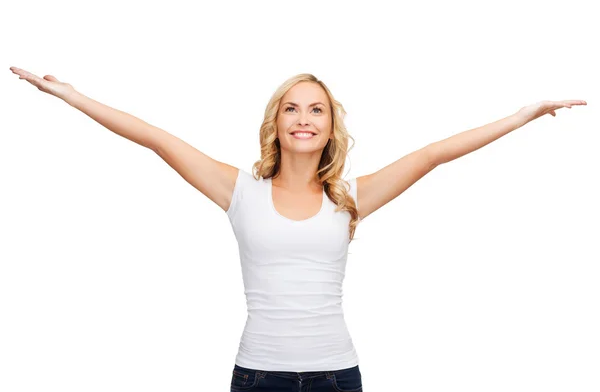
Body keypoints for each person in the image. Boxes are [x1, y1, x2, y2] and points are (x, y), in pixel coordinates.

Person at [9, 66, 587, 391]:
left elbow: (434, 154)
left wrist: (522, 116)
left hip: (337, 376)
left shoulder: (350, 199)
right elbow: (157, 139)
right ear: (276, 123)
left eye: (316, 109)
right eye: (292, 108)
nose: (304, 118)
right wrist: (70, 95)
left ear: (330, 127)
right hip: (258, 377)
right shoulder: (238, 190)